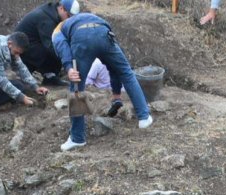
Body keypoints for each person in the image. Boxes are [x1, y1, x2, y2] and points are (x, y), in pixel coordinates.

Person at [51, 0, 153, 152]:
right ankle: (144, 118)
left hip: (82, 39)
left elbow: (61, 46)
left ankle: (77, 138)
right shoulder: (91, 16)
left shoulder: (59, 29)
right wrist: (117, 94)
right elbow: (114, 69)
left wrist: (68, 67)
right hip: (103, 32)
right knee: (126, 72)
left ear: (64, 11)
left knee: (76, 85)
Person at [14, 2, 67, 85]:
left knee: (60, 46)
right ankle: (48, 76)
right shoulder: (45, 19)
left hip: (35, 44)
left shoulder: (52, 13)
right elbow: (50, 45)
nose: (69, 19)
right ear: (61, 8)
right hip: (23, 50)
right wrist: (67, 60)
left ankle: (50, 76)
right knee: (56, 48)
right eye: (69, 15)